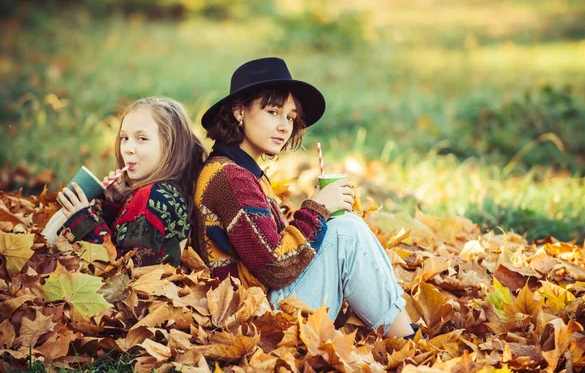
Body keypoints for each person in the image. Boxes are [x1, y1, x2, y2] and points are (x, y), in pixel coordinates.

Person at [192, 57, 416, 338]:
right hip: (254, 318)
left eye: (290, 117)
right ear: (239, 111)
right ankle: (409, 340)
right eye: (273, 112)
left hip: (263, 301)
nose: (285, 126)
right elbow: (274, 266)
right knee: (346, 233)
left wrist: (319, 215)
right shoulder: (230, 178)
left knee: (345, 227)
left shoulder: (241, 171)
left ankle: (408, 334)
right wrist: (317, 209)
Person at [56, 97, 207, 267]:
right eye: (124, 138)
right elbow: (133, 240)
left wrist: (83, 222)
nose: (128, 149)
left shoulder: (153, 196)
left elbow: (128, 271)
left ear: (170, 147)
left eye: (142, 138)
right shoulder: (169, 190)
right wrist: (117, 202)